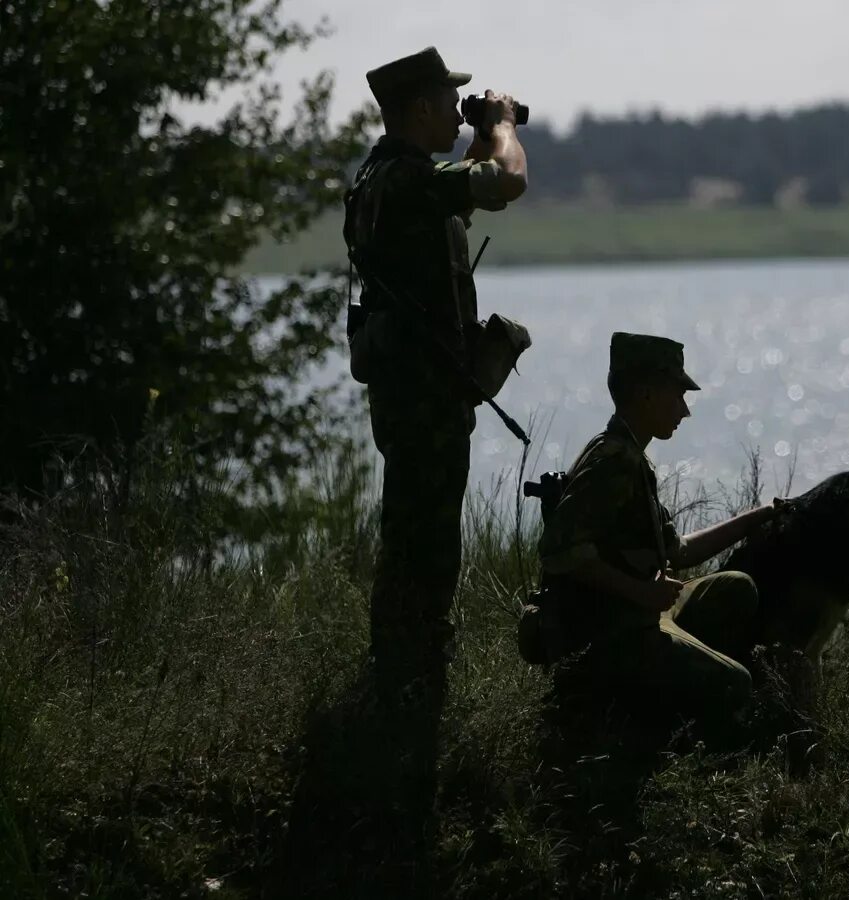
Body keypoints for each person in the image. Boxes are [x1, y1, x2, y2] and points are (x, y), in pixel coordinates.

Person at [341, 46, 527, 853]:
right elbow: (506, 181)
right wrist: (506, 124)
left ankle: (400, 688)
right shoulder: (411, 181)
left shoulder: (384, 179)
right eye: (447, 104)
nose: (458, 114)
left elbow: (472, 192)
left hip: (410, 394)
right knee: (426, 551)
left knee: (409, 541)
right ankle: (411, 701)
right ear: (417, 109)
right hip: (421, 403)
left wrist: (480, 133)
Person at [537, 332, 787, 741]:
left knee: (735, 588)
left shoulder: (629, 457)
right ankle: (660, 742)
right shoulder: (613, 463)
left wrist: (752, 519)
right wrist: (641, 593)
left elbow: (677, 551)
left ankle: (663, 695)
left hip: (632, 614)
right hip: (606, 635)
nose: (685, 410)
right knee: (735, 684)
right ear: (646, 394)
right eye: (678, 395)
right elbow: (560, 553)